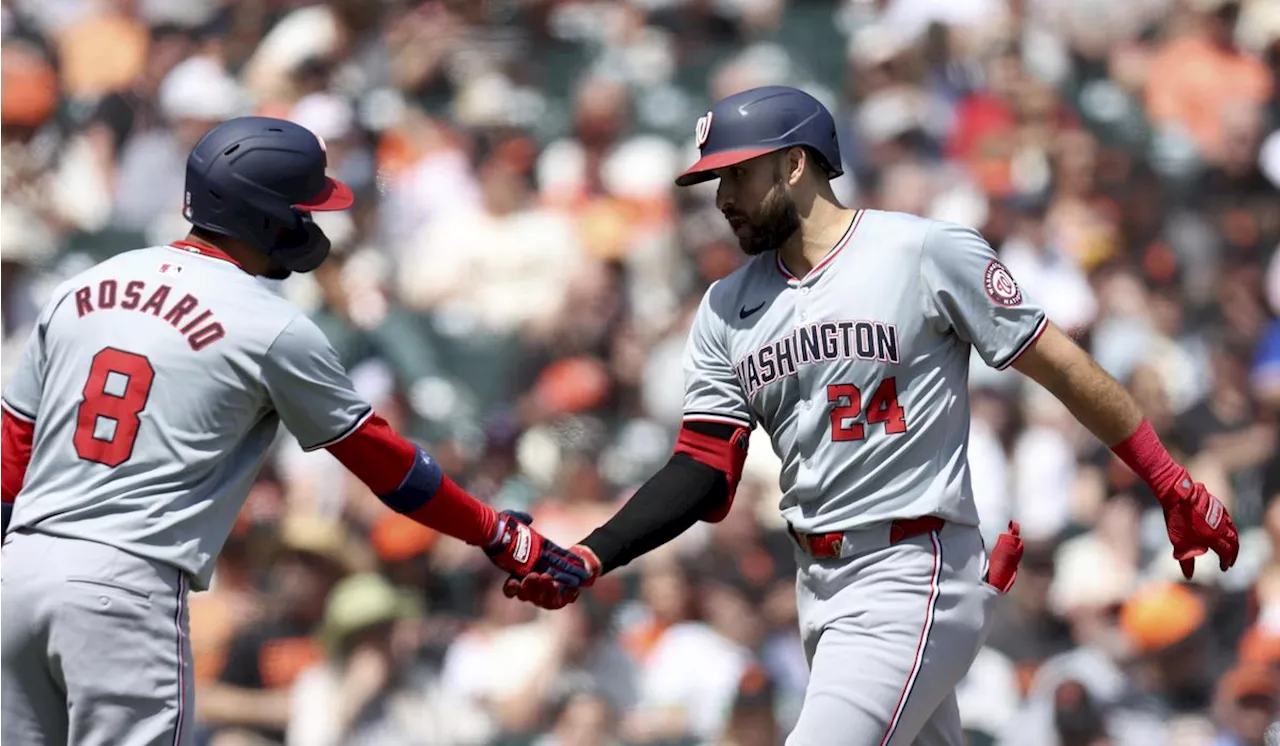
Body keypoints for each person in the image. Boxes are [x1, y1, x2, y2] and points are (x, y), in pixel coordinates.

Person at [501, 85, 1242, 746]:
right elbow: (702, 467)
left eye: (737, 172)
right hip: (818, 587)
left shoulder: (920, 251)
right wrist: (596, 553)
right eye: (715, 177)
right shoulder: (726, 308)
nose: (722, 194)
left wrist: (1169, 481)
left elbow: (1063, 367)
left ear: (796, 163)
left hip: (908, 570)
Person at [0, 116, 588, 746]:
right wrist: (499, 534)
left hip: (18, 574)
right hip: (126, 586)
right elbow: (387, 466)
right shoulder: (268, 324)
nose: (311, 222)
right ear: (264, 216)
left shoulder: (79, 289)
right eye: (303, 208)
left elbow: (10, 460)